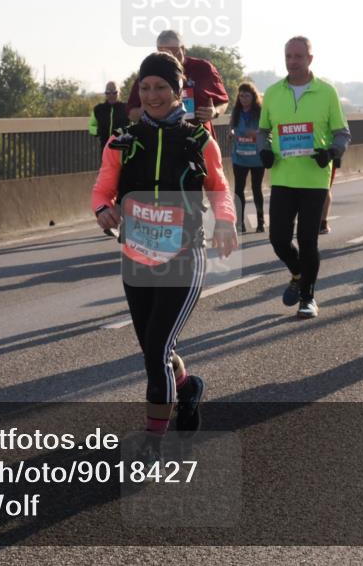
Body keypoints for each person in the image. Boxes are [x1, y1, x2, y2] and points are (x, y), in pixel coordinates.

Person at [91, 51, 237, 443]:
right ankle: (187, 389)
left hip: (184, 257)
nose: (152, 95)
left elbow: (219, 188)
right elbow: (103, 189)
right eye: (145, 88)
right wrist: (103, 209)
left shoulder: (197, 138)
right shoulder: (123, 141)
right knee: (156, 351)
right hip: (137, 259)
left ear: (177, 92)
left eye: (161, 88)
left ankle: (154, 443)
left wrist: (225, 222)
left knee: (156, 351)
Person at [258, 36, 350, 319]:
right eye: (288, 56)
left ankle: (308, 297)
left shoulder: (327, 92)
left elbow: (342, 133)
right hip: (283, 176)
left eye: (299, 56)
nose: (293, 61)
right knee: (278, 239)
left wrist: (332, 152)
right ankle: (298, 273)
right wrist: (264, 151)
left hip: (314, 178)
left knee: (308, 240)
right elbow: (263, 131)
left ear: (310, 59)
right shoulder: (273, 92)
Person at [126, 30, 229, 136]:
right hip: (160, 140)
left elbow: (223, 101)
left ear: (183, 49)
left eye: (172, 53)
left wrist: (214, 112)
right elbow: (131, 113)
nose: (170, 58)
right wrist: (146, 110)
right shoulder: (149, 74)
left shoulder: (203, 68)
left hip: (199, 139)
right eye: (163, 54)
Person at [230, 82, 266, 234]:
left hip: (257, 158)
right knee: (238, 190)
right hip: (240, 157)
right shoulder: (236, 111)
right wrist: (231, 133)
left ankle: (260, 222)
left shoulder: (260, 112)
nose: (243, 98)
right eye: (241, 95)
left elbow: (266, 130)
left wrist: (256, 133)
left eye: (247, 95)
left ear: (253, 96)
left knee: (256, 189)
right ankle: (239, 223)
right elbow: (232, 127)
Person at [88, 81, 128, 149]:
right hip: (105, 149)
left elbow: (134, 125)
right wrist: (98, 131)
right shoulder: (98, 109)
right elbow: (91, 126)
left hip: (123, 150)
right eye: (108, 92)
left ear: (119, 92)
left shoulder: (127, 108)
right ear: (105, 94)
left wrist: (125, 131)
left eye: (114, 92)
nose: (111, 95)